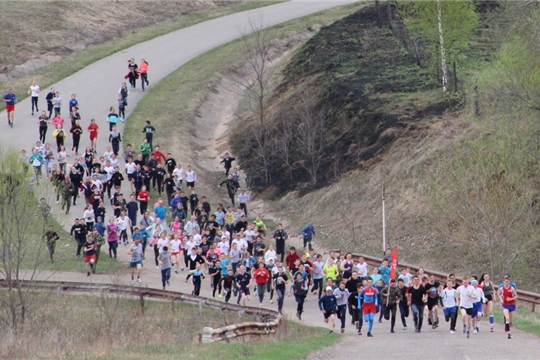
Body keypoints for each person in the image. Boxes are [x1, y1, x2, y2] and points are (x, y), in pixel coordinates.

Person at [498, 275, 517, 339]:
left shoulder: (512, 288)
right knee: (507, 318)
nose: (507, 282)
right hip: (505, 305)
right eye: (505, 281)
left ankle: (508, 325)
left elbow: (516, 296)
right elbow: (498, 294)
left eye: (508, 281)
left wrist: (511, 299)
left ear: (509, 282)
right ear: (504, 282)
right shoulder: (501, 288)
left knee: (510, 319)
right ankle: (509, 333)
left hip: (512, 305)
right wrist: (501, 299)